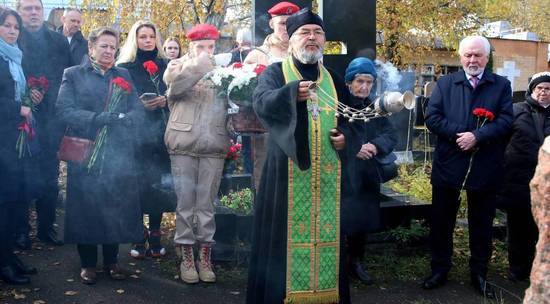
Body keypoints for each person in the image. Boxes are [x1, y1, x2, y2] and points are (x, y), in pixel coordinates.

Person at [246, 8, 361, 304]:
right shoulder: (275, 72)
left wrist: (345, 139)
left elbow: (353, 120)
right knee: (281, 240)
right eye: (304, 32)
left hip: (326, 179)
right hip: (285, 174)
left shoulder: (334, 80)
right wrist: (290, 92)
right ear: (291, 38)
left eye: (317, 32)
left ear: (324, 39)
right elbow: (260, 103)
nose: (311, 38)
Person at [423, 35, 513, 298]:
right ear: (460, 56)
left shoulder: (501, 85)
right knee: (441, 221)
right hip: (449, 162)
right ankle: (439, 269)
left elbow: (507, 119)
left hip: (484, 164)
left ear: (487, 57)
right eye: (468, 55)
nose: (472, 60)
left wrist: (479, 136)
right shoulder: (446, 83)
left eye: (478, 55)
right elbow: (432, 117)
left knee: (481, 222)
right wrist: (461, 134)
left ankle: (479, 273)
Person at [56, 26, 144, 285]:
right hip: (87, 150)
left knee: (114, 205)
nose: (108, 51)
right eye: (103, 46)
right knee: (87, 206)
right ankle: (87, 264)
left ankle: (112, 262)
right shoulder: (73, 74)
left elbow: (137, 108)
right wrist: (96, 119)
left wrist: (127, 119)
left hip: (117, 151)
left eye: (112, 46)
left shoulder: (123, 74)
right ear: (91, 48)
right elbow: (64, 110)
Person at [163, 23, 229, 284]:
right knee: (185, 203)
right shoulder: (176, 66)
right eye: (200, 46)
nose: (206, 51)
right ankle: (186, 255)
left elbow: (231, 102)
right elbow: (175, 88)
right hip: (183, 141)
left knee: (206, 204)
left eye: (210, 47)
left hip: (214, 142)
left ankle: (204, 255)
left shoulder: (224, 69)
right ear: (191, 46)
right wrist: (202, 63)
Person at [15, 0, 71, 248]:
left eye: (37, 8)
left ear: (43, 11)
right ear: (19, 13)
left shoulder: (58, 41)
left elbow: (66, 76)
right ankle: (21, 230)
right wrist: (28, 92)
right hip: (19, 120)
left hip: (51, 118)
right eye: (27, 8)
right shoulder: (13, 38)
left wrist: (47, 92)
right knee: (23, 176)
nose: (33, 12)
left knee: (49, 176)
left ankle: (47, 228)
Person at [117, 20, 172, 259]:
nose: (148, 40)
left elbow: (178, 94)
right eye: (142, 36)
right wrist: (138, 105)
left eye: (151, 36)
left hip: (161, 134)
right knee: (138, 184)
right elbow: (118, 99)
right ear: (134, 39)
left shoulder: (167, 64)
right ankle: (138, 234)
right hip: (135, 134)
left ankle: (156, 233)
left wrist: (166, 100)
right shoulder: (124, 67)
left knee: (157, 184)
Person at [342, 57, 397, 284]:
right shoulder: (339, 105)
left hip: (366, 175)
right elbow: (331, 133)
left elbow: (391, 135)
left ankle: (356, 262)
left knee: (361, 220)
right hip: (344, 173)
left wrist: (374, 145)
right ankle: (336, 262)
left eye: (368, 82)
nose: (364, 87)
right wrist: (354, 147)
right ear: (348, 83)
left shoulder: (376, 107)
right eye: (359, 81)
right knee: (341, 219)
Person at [498, 71, 550, 282]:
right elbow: (501, 142)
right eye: (539, 88)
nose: (543, 92)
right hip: (519, 180)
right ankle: (518, 269)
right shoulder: (516, 111)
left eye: (548, 89)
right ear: (532, 90)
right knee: (519, 227)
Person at [244, 1, 300, 190]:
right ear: (271, 24)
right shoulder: (258, 55)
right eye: (282, 23)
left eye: (292, 22)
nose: (287, 27)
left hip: (300, 127)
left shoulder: (305, 53)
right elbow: (246, 96)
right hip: (268, 128)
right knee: (267, 180)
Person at [0, 7, 37, 285]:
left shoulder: (14, 59)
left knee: (14, 202)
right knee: (4, 203)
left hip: (14, 142)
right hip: (2, 141)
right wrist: (19, 109)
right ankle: (3, 263)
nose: (12, 31)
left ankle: (9, 256)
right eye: (7, 26)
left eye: (16, 27)